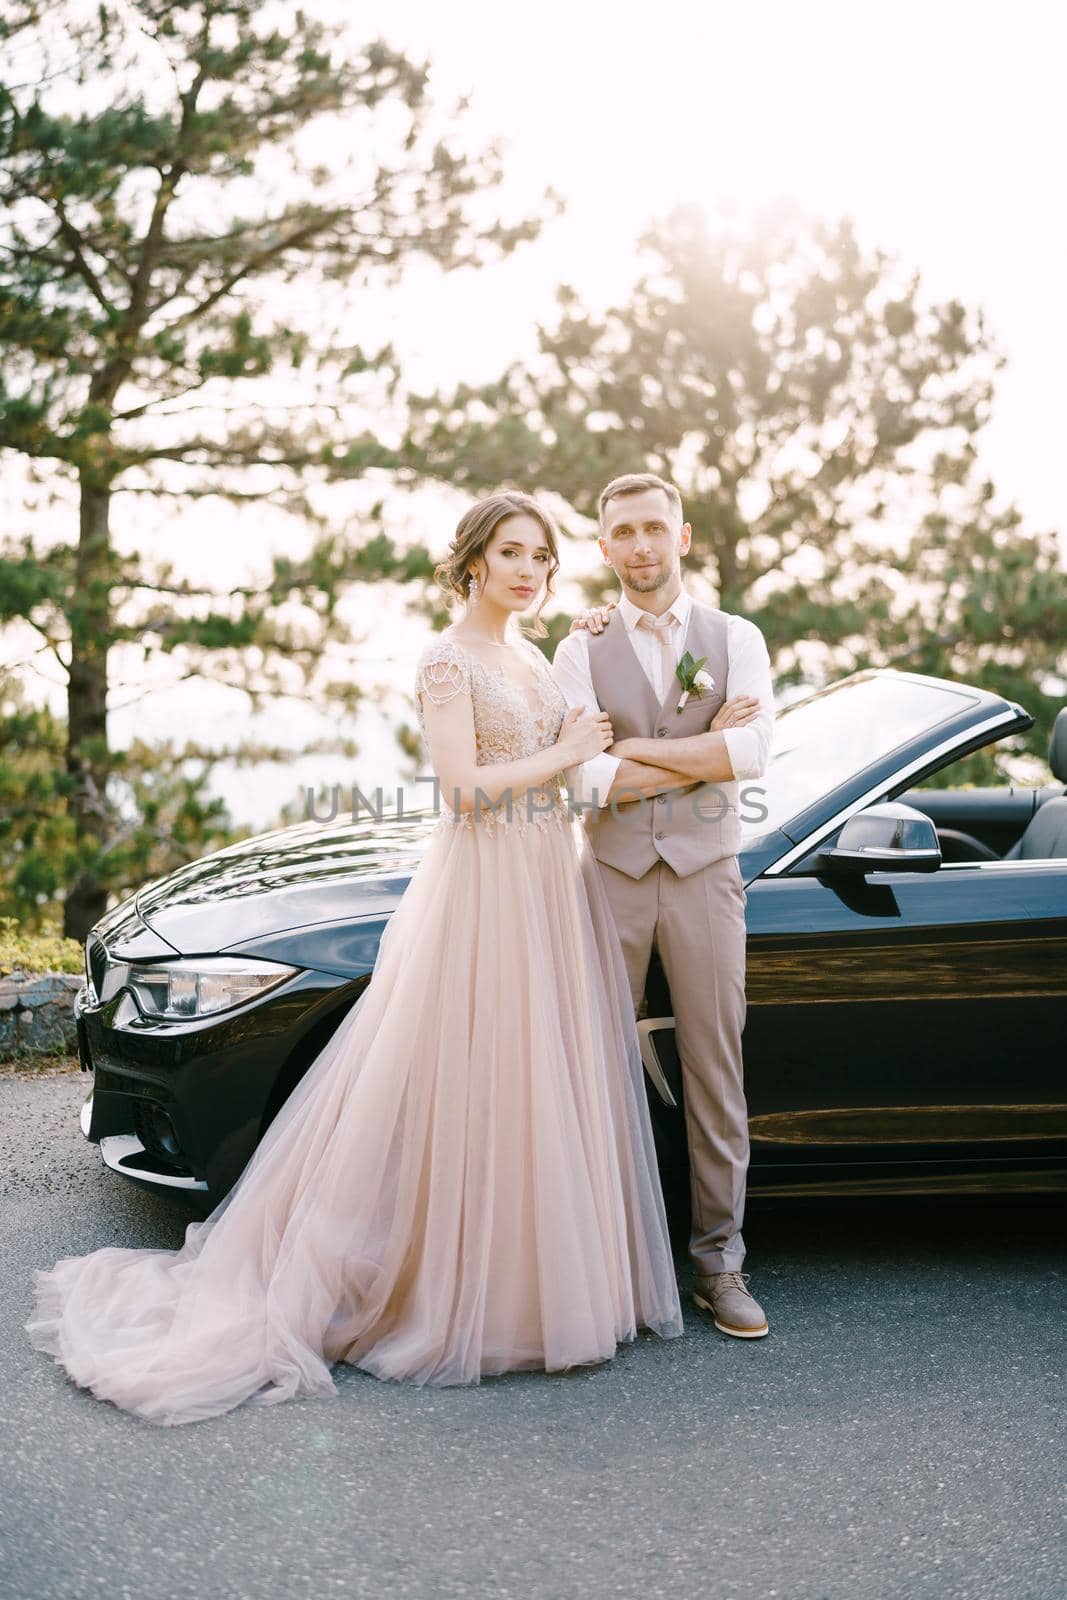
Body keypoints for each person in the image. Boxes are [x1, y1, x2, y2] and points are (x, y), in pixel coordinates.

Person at [24, 490, 683, 1426]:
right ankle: (436, 1286)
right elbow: (461, 792)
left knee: (530, 1081)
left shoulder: (535, 655)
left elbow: (571, 747)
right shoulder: (446, 661)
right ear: (472, 563)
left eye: (541, 555)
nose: (530, 570)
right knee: (462, 1074)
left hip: (546, 881)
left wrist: (608, 707)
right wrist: (564, 749)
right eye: (510, 553)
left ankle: (524, 1280)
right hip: (486, 883)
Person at [551, 472, 774, 1339]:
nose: (640, 545)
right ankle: (606, 1265)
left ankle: (720, 1266)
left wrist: (636, 751)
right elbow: (581, 775)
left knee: (714, 1071)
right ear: (604, 548)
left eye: (654, 528)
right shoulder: (578, 649)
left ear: (680, 536)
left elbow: (753, 752)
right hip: (607, 873)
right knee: (595, 1068)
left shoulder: (734, 635)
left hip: (705, 875)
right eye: (623, 533)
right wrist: (699, 748)